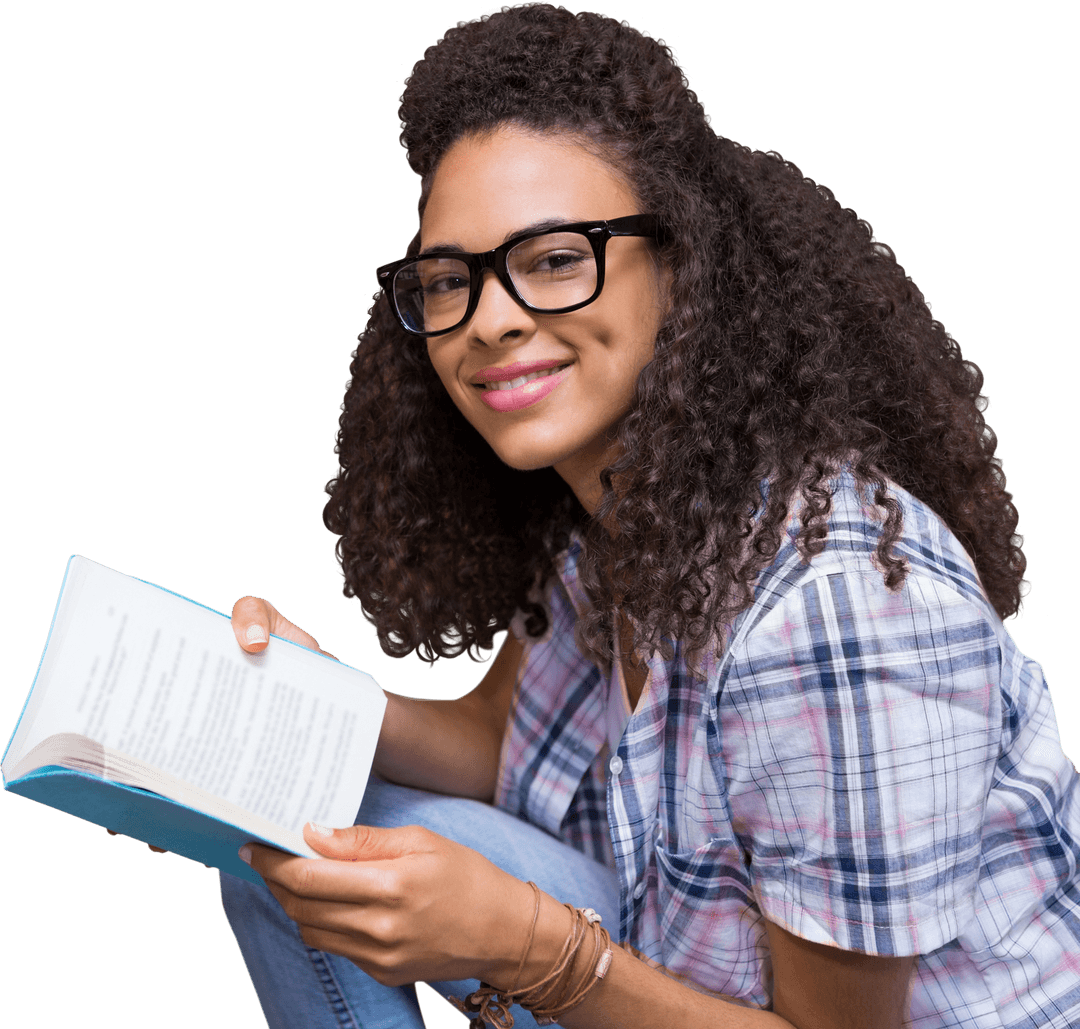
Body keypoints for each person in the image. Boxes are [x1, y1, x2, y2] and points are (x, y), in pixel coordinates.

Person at [217, 4, 1080, 1027]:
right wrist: (298, 708)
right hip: (676, 961)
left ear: (681, 264)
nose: (489, 318)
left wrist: (517, 943)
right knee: (290, 860)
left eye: (551, 259)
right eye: (450, 280)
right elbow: (504, 737)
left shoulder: (834, 609)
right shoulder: (624, 516)